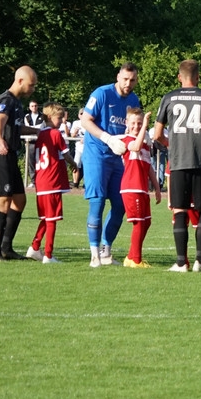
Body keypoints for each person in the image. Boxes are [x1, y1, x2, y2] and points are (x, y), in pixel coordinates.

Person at [152, 59, 201, 272]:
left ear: (179, 77)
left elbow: (157, 134)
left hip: (178, 162)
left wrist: (173, 145)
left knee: (180, 211)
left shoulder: (169, 97)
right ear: (198, 77)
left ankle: (181, 262)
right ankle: (200, 262)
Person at [80, 62, 141, 267]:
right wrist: (107, 138)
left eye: (132, 80)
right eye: (125, 79)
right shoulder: (102, 93)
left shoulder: (133, 99)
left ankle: (106, 250)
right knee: (97, 202)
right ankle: (94, 254)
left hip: (118, 157)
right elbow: (86, 120)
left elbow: (133, 127)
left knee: (120, 204)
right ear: (118, 77)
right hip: (97, 154)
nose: (128, 83)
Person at [0, 66, 38, 261]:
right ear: (20, 81)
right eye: (31, 85)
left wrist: (39, 132)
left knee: (20, 200)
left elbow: (17, 127)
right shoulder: (6, 99)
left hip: (11, 154)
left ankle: (7, 248)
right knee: (3, 202)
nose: (33, 89)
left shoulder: (17, 102)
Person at [26, 103, 76, 263]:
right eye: (59, 118)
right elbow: (66, 154)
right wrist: (74, 164)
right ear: (49, 117)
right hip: (51, 182)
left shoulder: (40, 134)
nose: (61, 121)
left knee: (46, 217)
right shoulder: (55, 134)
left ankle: (34, 248)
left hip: (41, 181)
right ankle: (48, 255)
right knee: (52, 219)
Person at [120, 108, 162, 268]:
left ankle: (131, 256)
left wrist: (157, 187)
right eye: (133, 123)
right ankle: (136, 260)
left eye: (139, 123)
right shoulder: (127, 140)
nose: (136, 126)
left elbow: (149, 166)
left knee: (146, 222)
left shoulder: (145, 144)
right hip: (131, 187)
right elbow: (135, 147)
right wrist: (145, 125)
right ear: (127, 123)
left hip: (142, 188)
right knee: (138, 223)